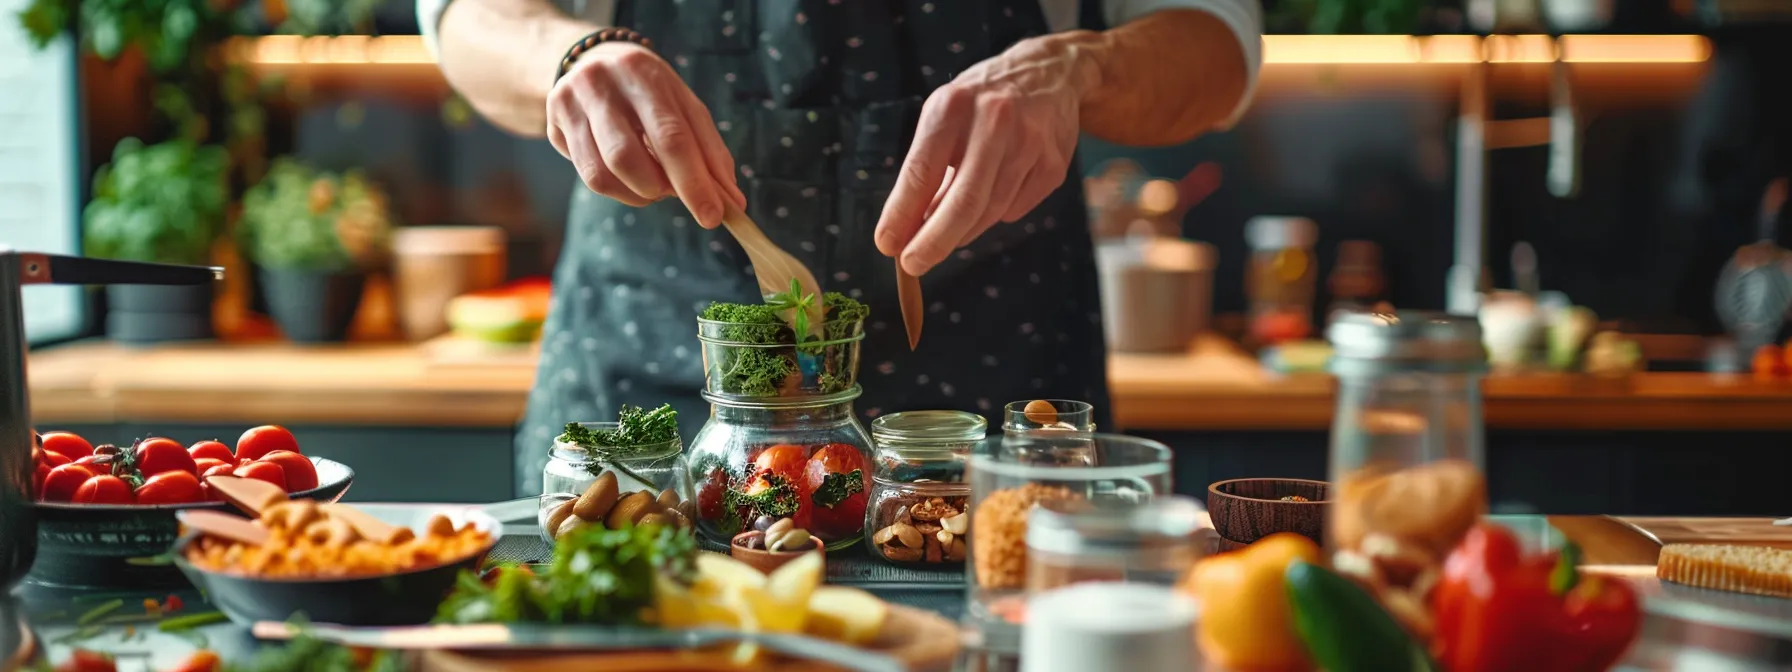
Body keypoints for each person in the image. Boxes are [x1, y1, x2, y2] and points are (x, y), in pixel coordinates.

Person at [420, 0, 1262, 494]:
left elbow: (1220, 46)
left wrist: (1084, 68)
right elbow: (463, 16)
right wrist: (568, 56)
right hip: (651, 393)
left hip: (992, 414)